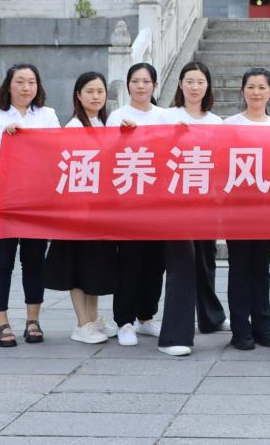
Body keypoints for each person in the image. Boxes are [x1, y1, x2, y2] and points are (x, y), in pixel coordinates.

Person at [0, 64, 59, 347]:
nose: (26, 87)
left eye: (31, 82)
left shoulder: (47, 115)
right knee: (1, 261)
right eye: (20, 82)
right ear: (8, 86)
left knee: (34, 261)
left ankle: (33, 320)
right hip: (2, 202)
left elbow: (57, 150)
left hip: (36, 202)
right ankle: (1, 323)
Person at [44, 71, 119, 345]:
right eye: (90, 91)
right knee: (76, 266)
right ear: (78, 95)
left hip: (100, 211)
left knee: (93, 266)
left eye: (100, 91)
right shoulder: (74, 127)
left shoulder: (105, 123)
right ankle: (82, 323)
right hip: (77, 211)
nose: (96, 96)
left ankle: (94, 318)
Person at [166, 61, 228, 349]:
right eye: (189, 81)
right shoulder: (167, 116)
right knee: (183, 261)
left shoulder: (217, 122)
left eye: (200, 82)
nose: (194, 87)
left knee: (206, 258)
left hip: (207, 200)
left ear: (207, 86)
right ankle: (176, 330)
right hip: (175, 203)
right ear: (180, 84)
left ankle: (210, 316)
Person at [106, 62, 168, 347]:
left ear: (155, 85)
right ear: (128, 84)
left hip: (158, 203)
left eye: (146, 81)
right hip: (128, 203)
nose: (140, 86)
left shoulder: (164, 116)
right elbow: (107, 154)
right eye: (135, 81)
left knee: (155, 264)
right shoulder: (117, 116)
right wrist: (122, 135)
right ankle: (125, 321)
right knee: (129, 262)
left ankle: (146, 317)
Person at [222, 67, 270, 351]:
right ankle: (240, 329)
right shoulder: (229, 125)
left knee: (261, 268)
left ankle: (263, 326)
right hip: (237, 208)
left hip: (268, 208)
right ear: (242, 91)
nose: (256, 92)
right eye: (251, 87)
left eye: (262, 87)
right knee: (239, 268)